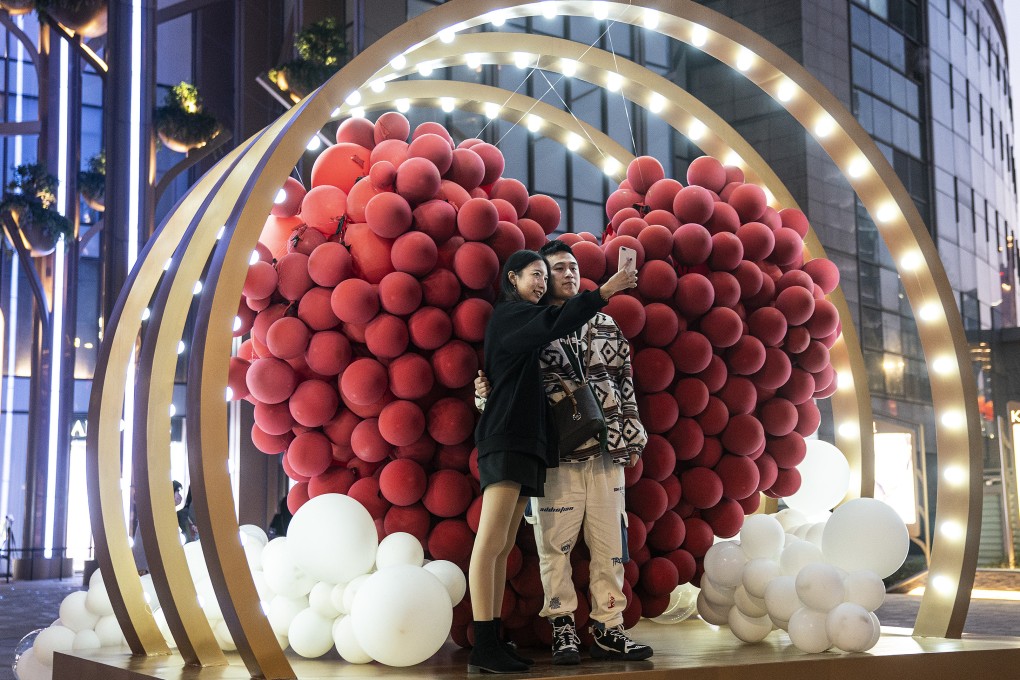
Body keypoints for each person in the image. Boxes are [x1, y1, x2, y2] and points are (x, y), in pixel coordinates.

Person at [475, 240, 653, 664]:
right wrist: (483, 394)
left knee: (612, 544)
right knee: (552, 545)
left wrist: (631, 434)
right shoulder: (535, 326)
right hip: (553, 452)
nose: (567, 274)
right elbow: (503, 380)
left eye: (573, 266)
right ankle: (562, 628)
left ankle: (610, 629)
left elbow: (624, 381)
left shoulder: (608, 326)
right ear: (527, 279)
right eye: (553, 269)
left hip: (606, 452)